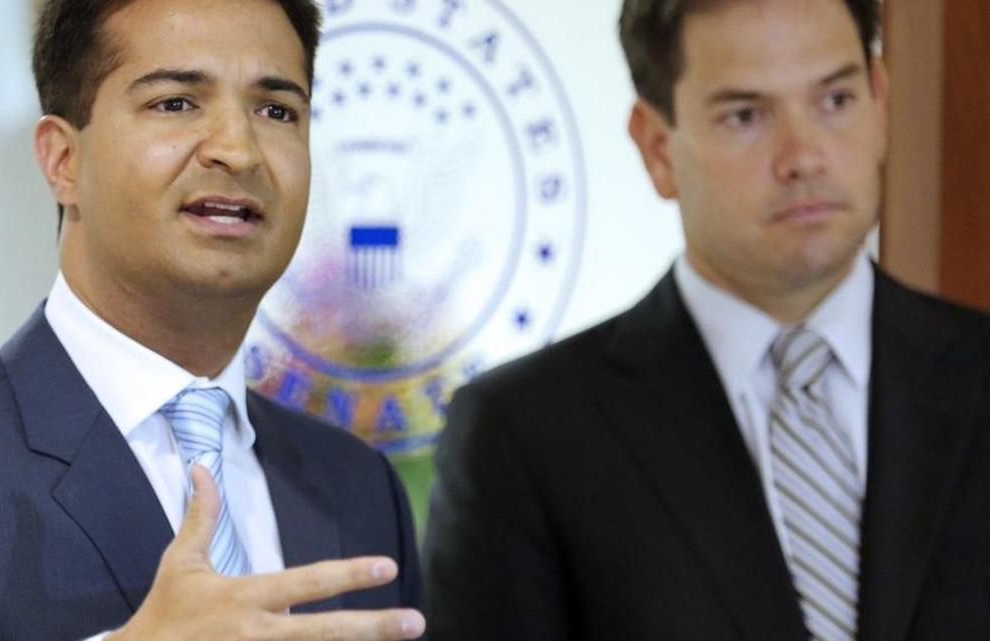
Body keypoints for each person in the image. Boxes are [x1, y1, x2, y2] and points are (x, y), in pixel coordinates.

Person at [0, 1, 427, 640]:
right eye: (176, 103)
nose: (239, 150)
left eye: (276, 111)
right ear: (62, 160)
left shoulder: (355, 484)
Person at [423, 0, 990, 639]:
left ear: (880, 98)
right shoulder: (524, 433)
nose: (803, 157)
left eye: (835, 101)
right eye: (745, 116)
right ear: (657, 148)